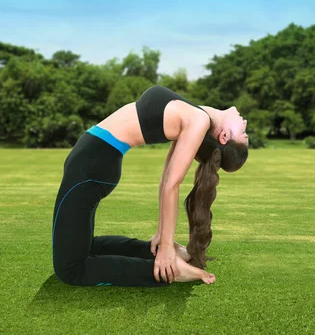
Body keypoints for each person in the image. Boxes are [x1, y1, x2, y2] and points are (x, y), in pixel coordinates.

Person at [52, 85, 249, 287]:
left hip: (91, 167)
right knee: (84, 247)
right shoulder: (196, 114)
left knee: (70, 270)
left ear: (224, 136)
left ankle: (169, 270)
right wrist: (163, 237)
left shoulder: (198, 120)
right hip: (93, 162)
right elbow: (166, 179)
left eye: (243, 133)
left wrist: (165, 248)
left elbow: (172, 185)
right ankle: (157, 254)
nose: (245, 123)